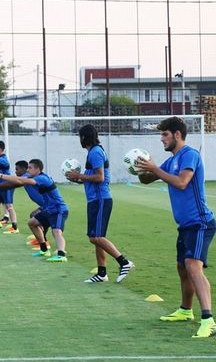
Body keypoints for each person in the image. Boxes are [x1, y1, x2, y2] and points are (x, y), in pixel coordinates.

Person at [137, 116, 216, 338]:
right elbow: (148, 179)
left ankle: (208, 319)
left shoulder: (189, 154)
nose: (161, 139)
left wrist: (155, 168)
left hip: (200, 222)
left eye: (164, 134)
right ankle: (185, 310)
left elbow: (181, 182)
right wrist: (140, 167)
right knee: (182, 267)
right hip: (185, 225)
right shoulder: (170, 161)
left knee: (192, 266)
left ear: (177, 135)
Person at [66, 124, 134, 283]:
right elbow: (92, 178)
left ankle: (124, 262)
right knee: (96, 236)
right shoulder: (93, 151)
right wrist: (78, 179)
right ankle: (102, 273)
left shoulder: (95, 152)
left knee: (95, 237)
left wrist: (79, 175)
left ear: (84, 137)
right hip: (95, 199)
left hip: (101, 199)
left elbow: (99, 177)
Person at [0, 159, 68, 262]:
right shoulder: (34, 177)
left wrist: (0, 176)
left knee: (56, 232)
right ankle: (44, 249)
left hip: (58, 209)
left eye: (30, 168)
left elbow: (22, 181)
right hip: (48, 209)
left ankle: (61, 255)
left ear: (38, 169)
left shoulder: (42, 178)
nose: (28, 170)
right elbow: (16, 181)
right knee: (32, 223)